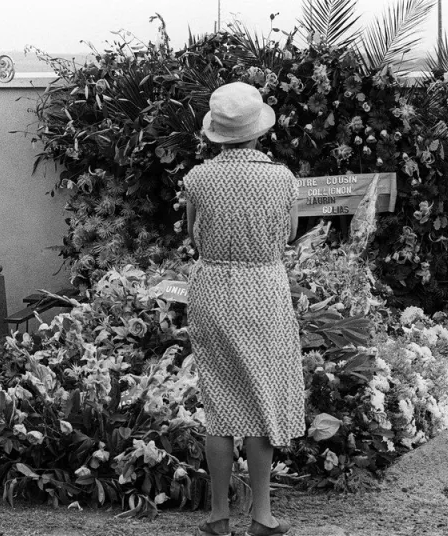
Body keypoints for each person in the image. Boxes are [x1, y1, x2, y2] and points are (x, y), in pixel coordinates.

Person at [184, 81, 305, 536]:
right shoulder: (281, 178)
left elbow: (194, 235)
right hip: (264, 291)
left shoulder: (197, 178)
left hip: (213, 290)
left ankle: (218, 516)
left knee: (219, 404)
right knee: (261, 399)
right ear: (257, 131)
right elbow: (289, 235)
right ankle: (262, 515)